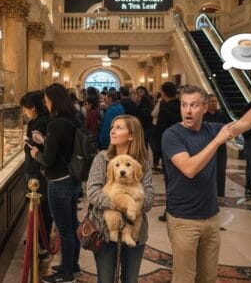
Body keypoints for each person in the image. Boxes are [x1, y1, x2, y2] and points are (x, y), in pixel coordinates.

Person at [162, 82, 251, 283]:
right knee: (183, 278)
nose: (187, 110)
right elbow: (189, 169)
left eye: (193, 105)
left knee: (208, 278)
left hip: (210, 216)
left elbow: (245, 124)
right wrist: (217, 141)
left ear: (204, 108)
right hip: (183, 220)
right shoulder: (172, 135)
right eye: (184, 105)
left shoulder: (211, 128)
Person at [87, 115, 154, 283]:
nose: (112, 131)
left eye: (118, 127)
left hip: (136, 230)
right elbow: (93, 192)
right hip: (105, 231)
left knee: (130, 280)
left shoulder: (143, 164)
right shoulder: (102, 159)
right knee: (106, 279)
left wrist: (133, 205)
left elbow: (149, 199)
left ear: (131, 135)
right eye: (112, 127)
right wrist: (121, 204)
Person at [30, 83, 79, 283]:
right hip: (72, 177)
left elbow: (48, 160)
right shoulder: (72, 119)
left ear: (53, 101)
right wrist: (45, 142)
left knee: (64, 228)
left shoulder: (55, 124)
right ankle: (72, 265)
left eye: (47, 100)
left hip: (58, 181)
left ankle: (66, 273)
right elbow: (63, 149)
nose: (45, 103)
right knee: (71, 225)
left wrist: (35, 152)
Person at [20, 91, 51, 260]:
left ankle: (41, 243)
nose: (24, 112)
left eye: (25, 109)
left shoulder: (40, 122)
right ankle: (38, 239)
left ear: (32, 108)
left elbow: (37, 148)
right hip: (36, 170)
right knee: (40, 207)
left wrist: (26, 144)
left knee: (41, 207)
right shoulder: (40, 120)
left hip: (37, 171)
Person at [155, 82, 181, 222]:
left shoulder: (165, 109)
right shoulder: (182, 107)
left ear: (164, 93)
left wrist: (158, 153)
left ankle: (170, 210)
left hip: (169, 149)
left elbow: (160, 131)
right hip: (184, 147)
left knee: (170, 180)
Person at [203, 94, 229, 197]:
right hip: (206, 146)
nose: (214, 103)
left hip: (221, 147)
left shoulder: (221, 114)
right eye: (211, 101)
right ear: (207, 103)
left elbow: (227, 127)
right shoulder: (203, 116)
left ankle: (220, 193)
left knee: (220, 170)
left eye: (215, 101)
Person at [136, 86, 153, 150]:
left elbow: (140, 112)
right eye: (138, 92)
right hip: (146, 124)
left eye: (140, 92)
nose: (139, 94)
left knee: (145, 143)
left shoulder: (145, 99)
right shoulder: (146, 98)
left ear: (144, 91)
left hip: (145, 124)